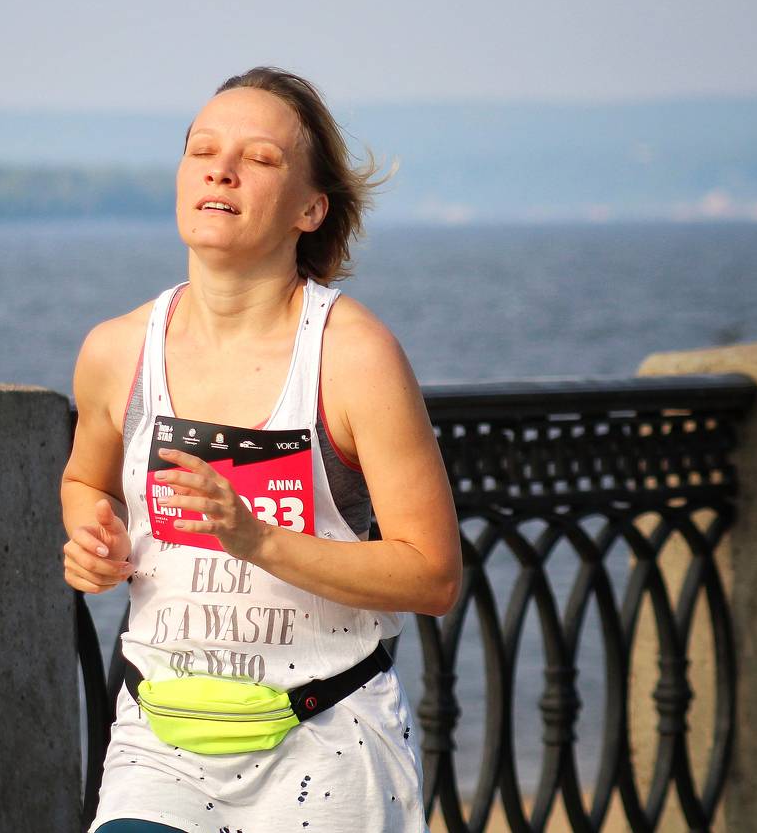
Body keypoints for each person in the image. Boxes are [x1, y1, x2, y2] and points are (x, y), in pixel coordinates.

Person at [61, 67, 461, 833]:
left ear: (311, 208)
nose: (221, 168)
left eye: (260, 158)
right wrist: (93, 535)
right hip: (158, 745)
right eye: (202, 150)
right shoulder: (116, 351)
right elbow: (86, 479)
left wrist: (258, 539)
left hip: (326, 741)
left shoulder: (354, 356)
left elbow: (433, 573)